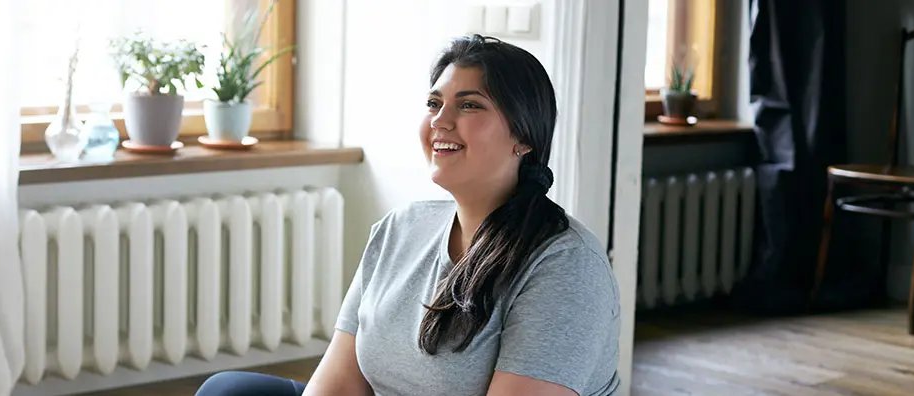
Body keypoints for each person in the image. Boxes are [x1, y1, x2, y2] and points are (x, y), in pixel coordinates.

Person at [196, 34, 620, 396]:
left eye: (469, 106)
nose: (441, 120)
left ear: (524, 136)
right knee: (227, 390)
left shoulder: (566, 266)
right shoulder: (400, 228)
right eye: (434, 102)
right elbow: (338, 383)